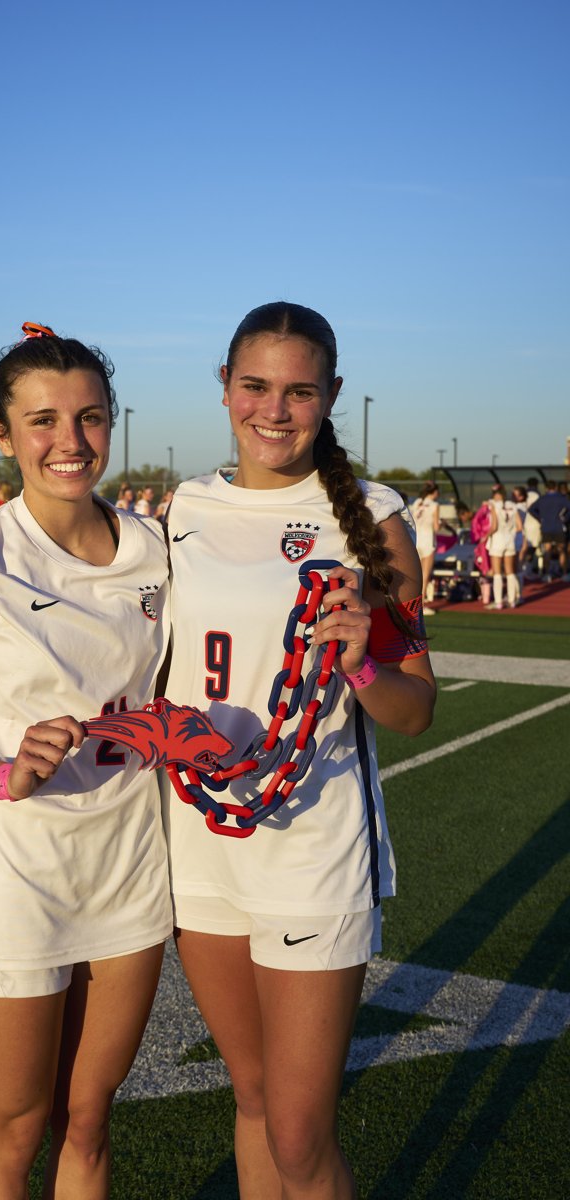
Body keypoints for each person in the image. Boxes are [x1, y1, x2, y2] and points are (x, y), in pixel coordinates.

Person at [0, 321, 171, 1200]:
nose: (70, 442)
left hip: (130, 867)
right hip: (14, 879)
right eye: (43, 420)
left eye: (90, 418)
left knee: (88, 1120)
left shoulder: (156, 553)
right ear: (4, 434)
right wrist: (6, 775)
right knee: (12, 1129)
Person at [162, 302, 436, 1200]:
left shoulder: (377, 523)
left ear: (332, 398)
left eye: (299, 391)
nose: (273, 410)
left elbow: (415, 710)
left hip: (314, 849)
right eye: (255, 386)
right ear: (225, 386)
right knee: (248, 1094)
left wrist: (363, 666)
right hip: (201, 843)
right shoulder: (184, 507)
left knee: (297, 1131)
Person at [485, 485, 522, 609]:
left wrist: (485, 536)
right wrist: (510, 532)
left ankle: (499, 601)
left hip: (497, 541)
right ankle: (512, 601)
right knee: (510, 572)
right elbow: (519, 527)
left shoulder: (494, 506)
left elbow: (494, 526)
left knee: (497, 573)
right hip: (510, 541)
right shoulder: (513, 506)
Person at [410, 481, 440, 615]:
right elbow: (436, 527)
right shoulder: (435, 505)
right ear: (434, 492)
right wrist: (442, 523)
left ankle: (413, 603)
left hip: (416, 539)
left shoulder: (417, 502)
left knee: (416, 574)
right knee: (425, 574)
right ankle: (421, 606)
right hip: (428, 540)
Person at [528, 480, 568, 581]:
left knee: (547, 551)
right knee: (562, 550)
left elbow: (531, 509)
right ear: (555, 487)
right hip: (559, 527)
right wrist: (565, 518)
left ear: (546, 488)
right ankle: (564, 573)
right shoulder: (561, 498)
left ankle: (547, 574)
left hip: (546, 527)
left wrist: (540, 518)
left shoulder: (542, 499)